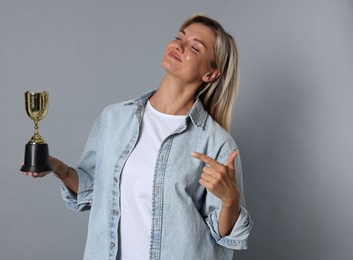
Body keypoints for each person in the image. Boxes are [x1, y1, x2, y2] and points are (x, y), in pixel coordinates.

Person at [23, 14, 253, 260]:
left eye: (195, 48)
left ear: (210, 74)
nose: (178, 46)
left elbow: (226, 237)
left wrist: (230, 201)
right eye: (179, 37)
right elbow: (94, 193)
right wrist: (59, 168)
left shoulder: (216, 143)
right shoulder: (114, 118)